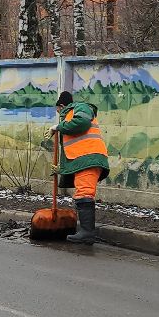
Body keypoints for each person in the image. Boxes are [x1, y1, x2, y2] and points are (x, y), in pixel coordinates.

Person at [53, 90, 110, 244]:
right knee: (83, 192)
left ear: (62, 105)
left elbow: (82, 123)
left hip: (89, 158)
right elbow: (73, 148)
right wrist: (61, 169)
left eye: (58, 110)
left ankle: (87, 232)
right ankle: (86, 231)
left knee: (85, 193)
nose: (59, 114)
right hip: (84, 159)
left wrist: (60, 126)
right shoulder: (70, 115)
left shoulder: (81, 108)